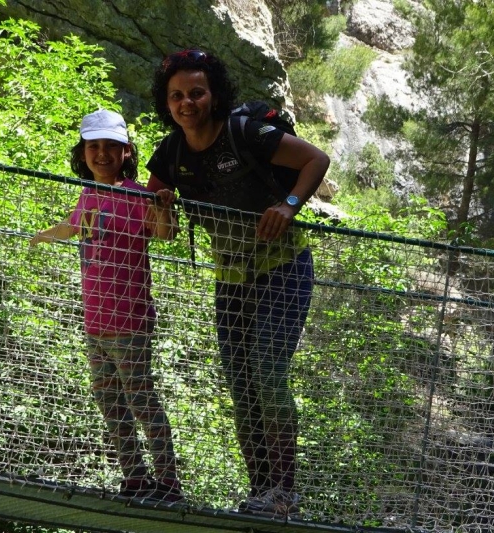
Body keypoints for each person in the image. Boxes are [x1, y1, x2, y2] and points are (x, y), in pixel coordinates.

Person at [145, 49, 330, 517]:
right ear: (166, 103)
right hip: (230, 277)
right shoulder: (169, 155)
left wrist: (289, 205)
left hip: (283, 265)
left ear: (214, 95)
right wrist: (162, 209)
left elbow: (315, 159)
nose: (187, 103)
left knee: (268, 374)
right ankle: (260, 492)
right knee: (241, 385)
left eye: (196, 93)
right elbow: (160, 231)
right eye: (176, 96)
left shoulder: (244, 132)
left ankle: (284, 494)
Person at [30, 109, 183, 503]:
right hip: (95, 322)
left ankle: (168, 483)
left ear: (126, 151)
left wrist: (164, 206)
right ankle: (135, 478)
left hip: (129, 320)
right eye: (93, 146)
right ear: (82, 153)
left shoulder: (137, 194)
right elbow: (73, 226)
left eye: (110, 146)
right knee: (110, 402)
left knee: (141, 399)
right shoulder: (88, 194)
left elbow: (165, 233)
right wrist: (42, 235)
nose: (101, 154)